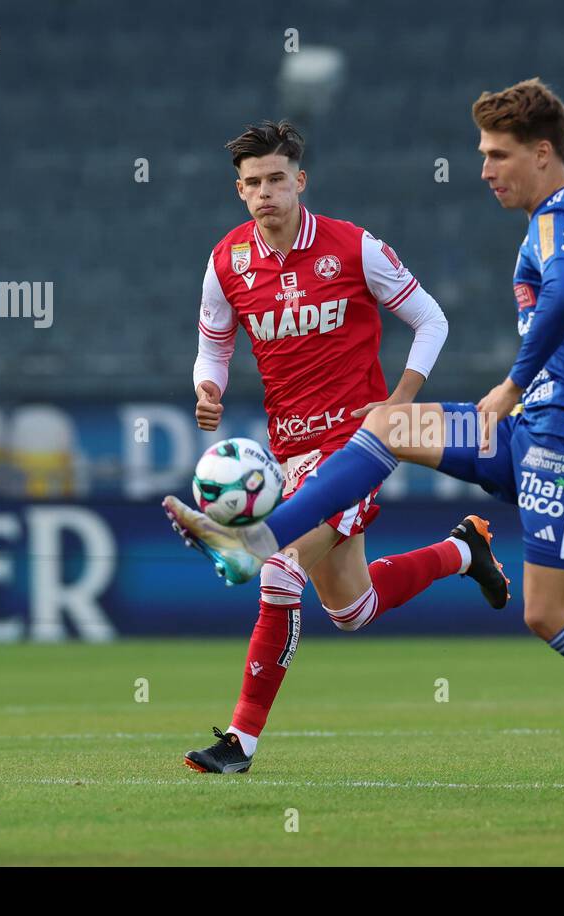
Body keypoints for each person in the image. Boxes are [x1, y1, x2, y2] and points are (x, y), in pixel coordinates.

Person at [167, 81, 564, 808]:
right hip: (535, 434)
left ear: (543, 154)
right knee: (391, 426)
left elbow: (556, 300)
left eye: (498, 155)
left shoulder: (556, 222)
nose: (486, 170)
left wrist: (531, 394)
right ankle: (292, 538)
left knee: (548, 613)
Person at [163, 121, 509, 774]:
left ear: (300, 180)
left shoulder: (355, 249)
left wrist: (399, 402)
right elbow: (213, 344)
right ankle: (465, 550)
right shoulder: (226, 263)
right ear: (239, 191)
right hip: (286, 454)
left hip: (356, 449)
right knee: (351, 609)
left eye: (276, 179)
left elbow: (430, 318)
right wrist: (207, 386)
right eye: (252, 183)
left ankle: (240, 742)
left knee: (277, 568)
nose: (265, 192)